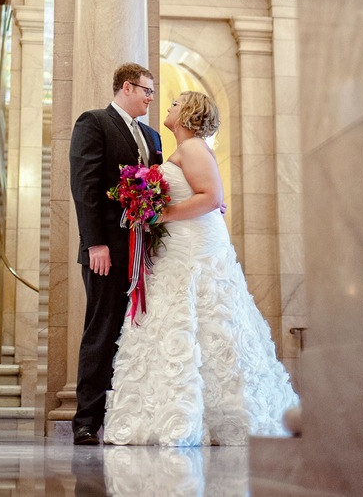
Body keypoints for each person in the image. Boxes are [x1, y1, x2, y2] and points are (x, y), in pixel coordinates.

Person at [103, 90, 299, 447]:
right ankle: (174, 411)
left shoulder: (193, 147)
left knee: (207, 318)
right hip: (181, 243)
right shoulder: (183, 149)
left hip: (195, 245)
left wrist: (162, 214)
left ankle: (219, 415)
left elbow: (212, 197)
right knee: (182, 321)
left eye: (176, 103)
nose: (169, 105)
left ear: (189, 113)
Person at [69, 62, 163, 446]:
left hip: (142, 252)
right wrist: (95, 243)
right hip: (106, 250)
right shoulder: (94, 123)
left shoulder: (152, 136)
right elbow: (85, 186)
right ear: (127, 87)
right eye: (146, 90)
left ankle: (124, 417)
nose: (151, 98)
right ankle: (86, 421)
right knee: (103, 330)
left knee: (135, 335)